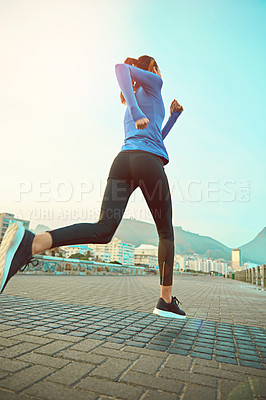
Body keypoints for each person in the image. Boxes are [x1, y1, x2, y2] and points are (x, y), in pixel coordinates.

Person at [0, 55, 186, 319]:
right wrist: (137, 111)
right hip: (147, 164)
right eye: (157, 67)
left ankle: (34, 242)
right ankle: (165, 301)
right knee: (166, 232)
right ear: (152, 68)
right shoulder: (155, 83)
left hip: (123, 164)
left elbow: (154, 138)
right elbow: (121, 68)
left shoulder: (136, 101)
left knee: (103, 230)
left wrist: (173, 118)